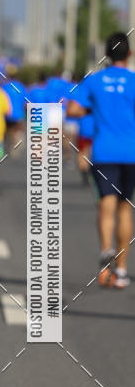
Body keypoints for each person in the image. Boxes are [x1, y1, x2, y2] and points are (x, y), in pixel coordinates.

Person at [67, 31, 135, 288]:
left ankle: (106, 250)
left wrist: (95, 108)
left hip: (104, 151)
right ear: (129, 54)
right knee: (124, 207)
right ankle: (122, 270)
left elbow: (73, 109)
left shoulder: (94, 81)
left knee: (105, 206)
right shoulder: (134, 80)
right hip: (131, 152)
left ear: (106, 54)